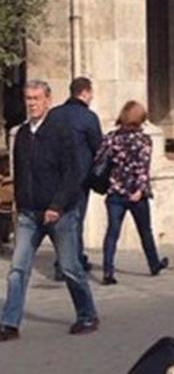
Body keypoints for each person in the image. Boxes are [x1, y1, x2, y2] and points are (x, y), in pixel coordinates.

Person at [0, 80, 99, 341]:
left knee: (70, 267)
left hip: (60, 213)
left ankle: (87, 315)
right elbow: (21, 172)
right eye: (28, 98)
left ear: (48, 100)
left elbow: (73, 172)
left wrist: (57, 205)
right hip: (29, 213)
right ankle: (10, 323)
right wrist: (20, 204)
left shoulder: (61, 132)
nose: (32, 103)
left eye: (36, 98)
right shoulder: (22, 134)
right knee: (18, 269)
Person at [97, 100, 168, 285]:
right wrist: (139, 190)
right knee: (145, 231)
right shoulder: (143, 140)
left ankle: (108, 271)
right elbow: (143, 167)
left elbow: (99, 159)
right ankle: (154, 264)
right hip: (136, 193)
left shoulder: (111, 138)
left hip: (115, 191)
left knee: (112, 232)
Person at [53, 77, 102, 280]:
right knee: (76, 220)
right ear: (85, 92)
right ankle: (69, 263)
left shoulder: (54, 115)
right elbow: (98, 148)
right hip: (80, 176)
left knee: (60, 219)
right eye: (91, 93)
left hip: (56, 176)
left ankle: (68, 259)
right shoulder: (88, 117)